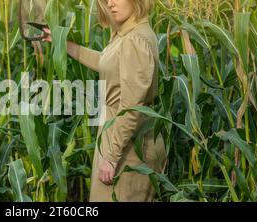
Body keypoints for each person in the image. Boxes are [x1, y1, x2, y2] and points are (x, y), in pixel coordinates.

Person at [43, 0, 167, 202]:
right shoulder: (127, 33)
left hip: (129, 147)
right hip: (119, 137)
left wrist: (111, 157)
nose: (110, 3)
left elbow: (131, 107)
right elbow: (105, 62)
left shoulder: (135, 40)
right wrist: (62, 42)